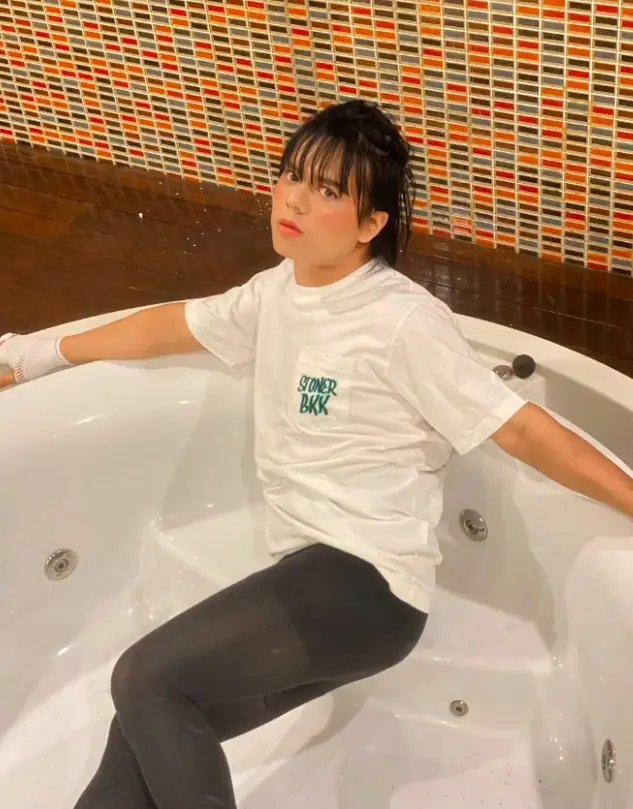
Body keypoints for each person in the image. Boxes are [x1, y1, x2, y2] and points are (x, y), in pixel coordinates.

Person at [1, 100, 632, 809]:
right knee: (145, 722)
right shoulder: (275, 294)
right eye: (292, 175)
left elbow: (520, 429)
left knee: (146, 679)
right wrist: (39, 356)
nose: (295, 199)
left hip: (369, 585)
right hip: (312, 574)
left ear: (371, 223)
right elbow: (167, 328)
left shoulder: (402, 322)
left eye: (328, 190)